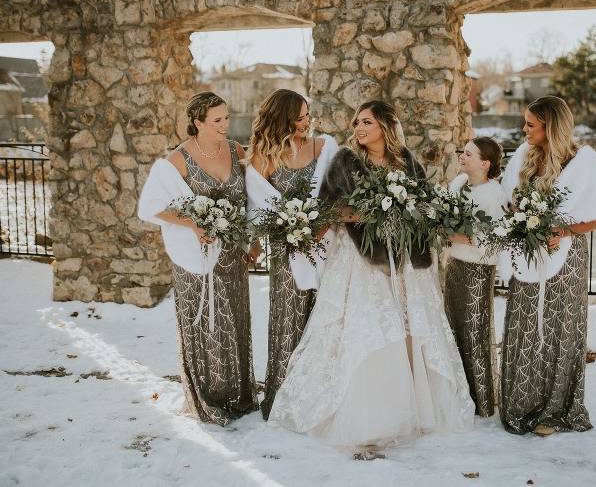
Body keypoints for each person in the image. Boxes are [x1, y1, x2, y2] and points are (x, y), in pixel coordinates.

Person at [268, 100, 474, 456]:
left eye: (366, 122)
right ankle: (369, 417)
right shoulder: (345, 161)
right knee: (370, 329)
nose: (359, 128)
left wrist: (405, 212)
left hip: (404, 258)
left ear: (385, 125)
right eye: (356, 122)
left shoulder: (406, 160)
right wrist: (364, 212)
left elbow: (422, 205)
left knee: (407, 328)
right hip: (360, 259)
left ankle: (410, 408)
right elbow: (329, 208)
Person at [499, 96, 596, 436]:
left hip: (566, 257)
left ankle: (555, 411)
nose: (524, 130)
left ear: (551, 126)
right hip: (527, 254)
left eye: (531, 124)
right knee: (524, 323)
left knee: (558, 327)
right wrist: (519, 222)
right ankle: (521, 402)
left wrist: (562, 230)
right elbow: (508, 202)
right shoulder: (523, 157)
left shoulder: (583, 162)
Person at [137, 91, 257, 426]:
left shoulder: (236, 150)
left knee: (234, 320)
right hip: (196, 258)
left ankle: (237, 393)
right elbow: (151, 207)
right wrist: (192, 223)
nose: (225, 125)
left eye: (227, 118)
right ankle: (207, 398)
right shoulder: (176, 160)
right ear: (197, 122)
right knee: (203, 323)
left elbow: (250, 198)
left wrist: (253, 239)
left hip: (232, 254)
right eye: (217, 120)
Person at [243, 89, 339, 420]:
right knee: (288, 320)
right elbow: (258, 205)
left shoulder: (325, 147)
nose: (306, 122)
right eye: (300, 117)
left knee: (324, 319)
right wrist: (256, 242)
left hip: (328, 248)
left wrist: (325, 221)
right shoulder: (263, 157)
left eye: (308, 115)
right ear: (283, 118)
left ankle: (324, 398)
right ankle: (285, 398)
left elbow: (339, 190)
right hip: (287, 252)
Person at [443, 137, 506, 417]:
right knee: (451, 327)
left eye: (468, 154)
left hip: (478, 269)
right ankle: (458, 395)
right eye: (463, 152)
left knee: (474, 331)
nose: (462, 156)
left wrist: (457, 235)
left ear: (485, 163)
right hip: (454, 264)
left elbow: (496, 237)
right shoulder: (457, 185)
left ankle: (481, 399)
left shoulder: (495, 194)